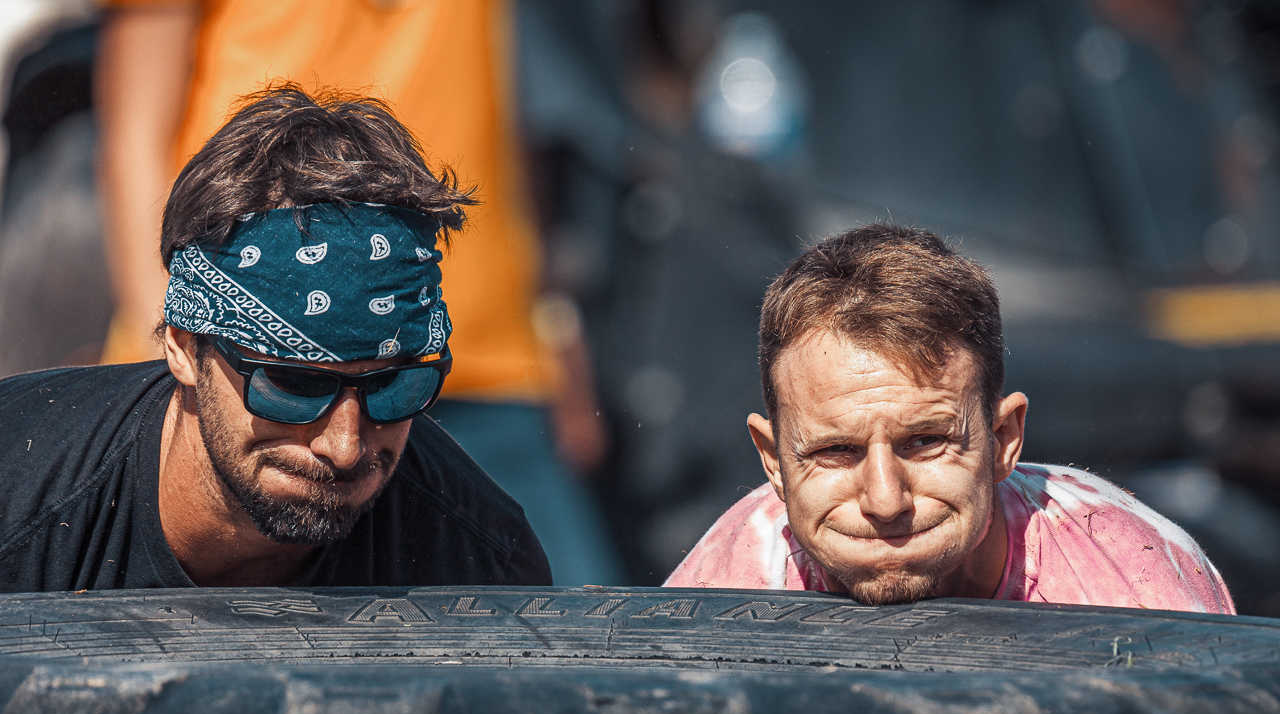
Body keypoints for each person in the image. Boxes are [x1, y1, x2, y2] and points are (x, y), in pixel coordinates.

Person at [93, 0, 623, 586]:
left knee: (565, 621)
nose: (344, 445)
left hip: (464, 359)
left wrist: (555, 318)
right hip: (257, 362)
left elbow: (506, 120)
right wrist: (184, 342)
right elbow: (133, 136)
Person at [0, 86, 550, 591]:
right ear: (184, 348)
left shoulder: (484, 566)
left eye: (392, 387)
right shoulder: (19, 503)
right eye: (293, 385)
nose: (344, 448)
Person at [666, 225, 1235, 613]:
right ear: (773, 460)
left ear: (1004, 438)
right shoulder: (728, 585)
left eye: (925, 442)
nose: (885, 501)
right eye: (835, 451)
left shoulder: (1133, 590)